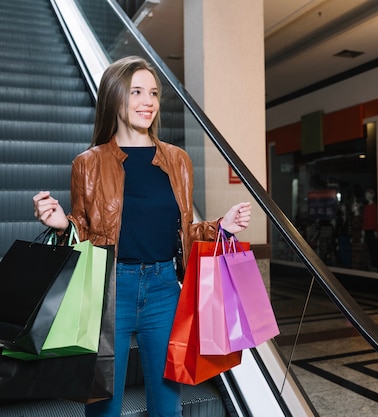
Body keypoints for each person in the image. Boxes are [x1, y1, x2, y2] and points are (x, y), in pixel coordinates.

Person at [32, 56, 252, 417]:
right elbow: (85, 237)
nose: (148, 101)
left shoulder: (178, 160)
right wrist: (62, 225)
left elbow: (181, 234)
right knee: (104, 407)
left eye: (153, 92)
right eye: (136, 91)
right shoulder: (88, 163)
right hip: (110, 293)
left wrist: (219, 227)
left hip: (164, 289)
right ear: (115, 97)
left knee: (168, 407)